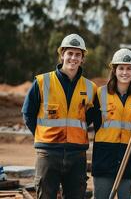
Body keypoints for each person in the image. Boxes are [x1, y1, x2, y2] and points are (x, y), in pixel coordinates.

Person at [22, 33, 98, 199]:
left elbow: (90, 117)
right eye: (70, 53)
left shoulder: (91, 87)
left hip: (77, 155)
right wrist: (42, 136)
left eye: (78, 54)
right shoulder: (42, 82)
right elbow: (28, 114)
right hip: (48, 154)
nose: (73, 58)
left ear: (82, 58)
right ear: (62, 54)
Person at [92, 48, 131, 199]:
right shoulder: (100, 94)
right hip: (104, 160)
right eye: (121, 68)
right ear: (114, 70)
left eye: (128, 68)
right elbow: (94, 124)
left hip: (129, 161)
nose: (125, 72)